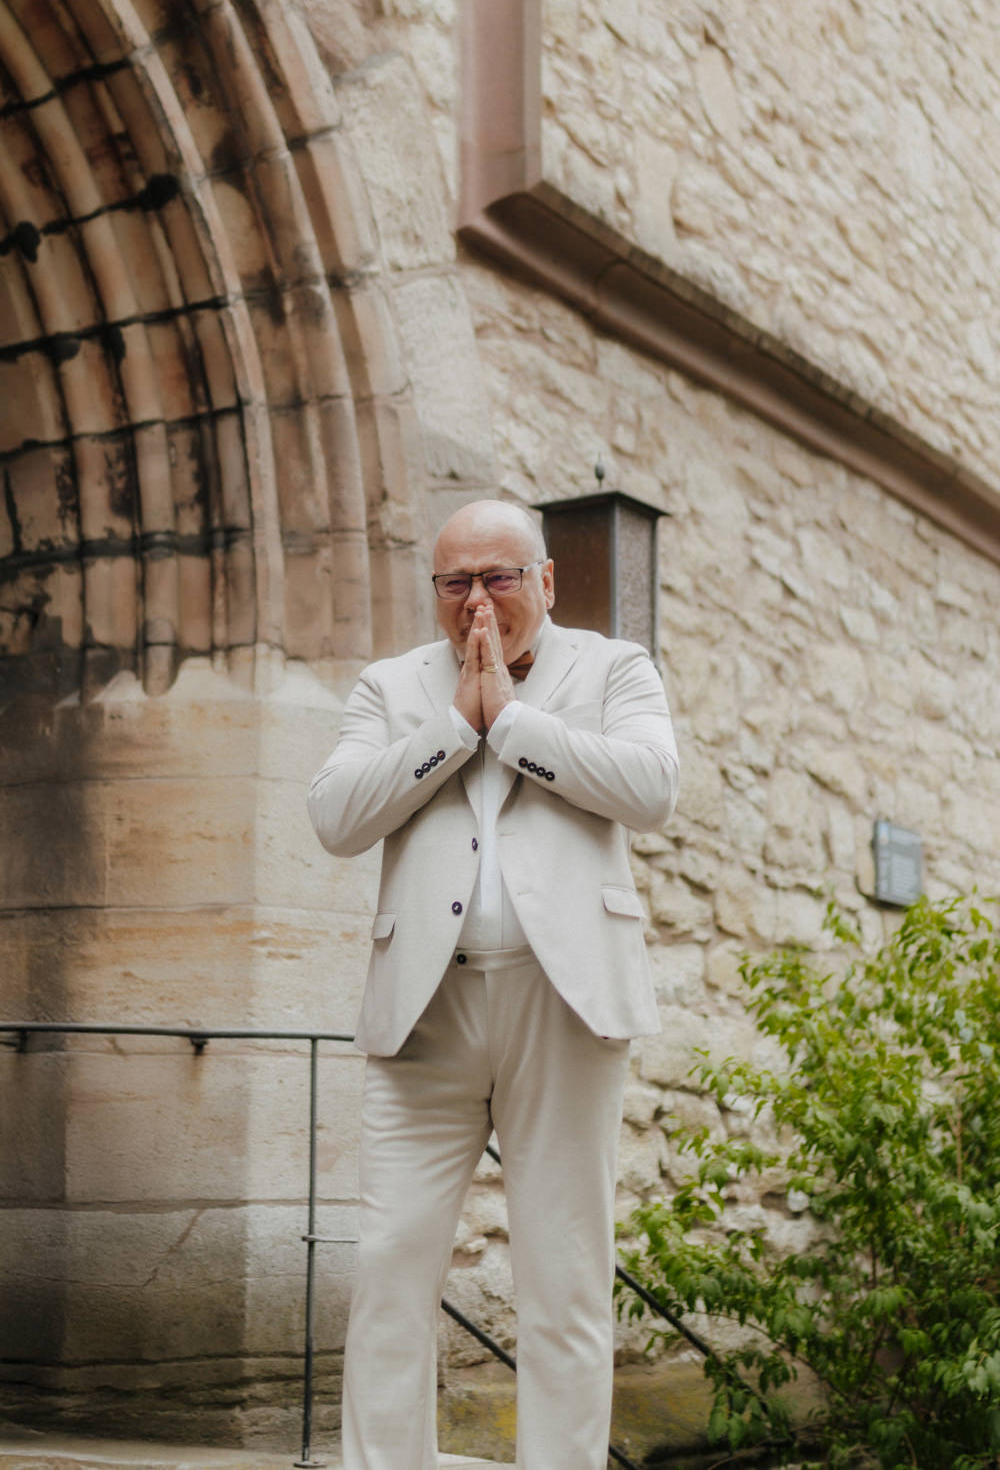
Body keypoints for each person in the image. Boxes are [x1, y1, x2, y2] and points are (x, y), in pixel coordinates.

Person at [308, 499, 679, 1470]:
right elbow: (337, 819)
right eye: (454, 581)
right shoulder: (390, 687)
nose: (476, 599)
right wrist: (450, 728)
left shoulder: (613, 669)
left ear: (545, 581)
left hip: (564, 1003)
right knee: (389, 1266)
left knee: (564, 1277)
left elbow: (649, 790)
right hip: (423, 1012)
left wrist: (509, 723)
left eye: (498, 577)